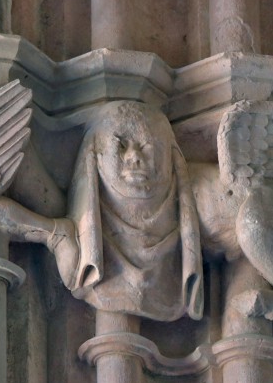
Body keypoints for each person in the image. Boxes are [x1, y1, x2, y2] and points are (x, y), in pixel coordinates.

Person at [63, 101, 202, 322]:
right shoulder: (71, 245)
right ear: (95, 155)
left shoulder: (205, 204)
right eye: (121, 145)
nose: (134, 157)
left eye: (146, 146)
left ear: (171, 157)